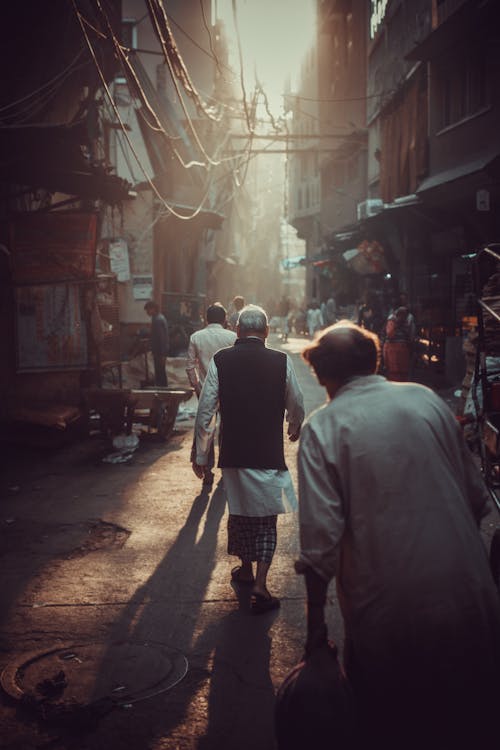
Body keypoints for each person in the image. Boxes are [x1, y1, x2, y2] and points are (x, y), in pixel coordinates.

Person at [296, 321, 500, 749]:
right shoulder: (425, 400)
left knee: (392, 727)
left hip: (390, 620)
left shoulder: (323, 426)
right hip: (472, 601)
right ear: (374, 362)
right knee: (471, 725)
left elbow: (320, 546)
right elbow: (477, 499)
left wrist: (316, 632)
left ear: (323, 376)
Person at [192, 305, 305, 613]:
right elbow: (296, 401)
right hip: (268, 453)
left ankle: (245, 569)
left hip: (233, 453)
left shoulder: (221, 360)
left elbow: (205, 411)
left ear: (238, 330)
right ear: (266, 332)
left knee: (239, 512)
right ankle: (261, 583)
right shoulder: (281, 361)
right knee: (266, 519)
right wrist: (294, 425)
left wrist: (202, 453)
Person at [186, 303, 236, 487]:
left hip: (206, 390)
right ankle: (225, 469)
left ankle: (207, 470)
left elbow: (190, 366)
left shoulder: (196, 337)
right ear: (224, 319)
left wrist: (198, 387)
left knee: (205, 429)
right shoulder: (232, 337)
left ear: (206, 319)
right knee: (227, 429)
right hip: (229, 390)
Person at [382, 305, 413, 381]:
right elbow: (390, 334)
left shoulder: (406, 321)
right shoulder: (392, 320)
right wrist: (397, 325)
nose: (404, 317)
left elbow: (409, 336)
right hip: (393, 349)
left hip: (401, 350)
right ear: (398, 314)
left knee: (402, 371)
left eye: (405, 316)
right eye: (403, 315)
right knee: (394, 371)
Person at [144, 300, 169, 387]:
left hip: (160, 351)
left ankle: (162, 391)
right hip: (159, 350)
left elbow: (161, 338)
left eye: (148, 310)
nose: (147, 312)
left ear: (153, 309)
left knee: (160, 372)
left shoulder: (158, 320)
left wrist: (162, 354)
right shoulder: (158, 318)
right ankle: (162, 389)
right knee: (160, 372)